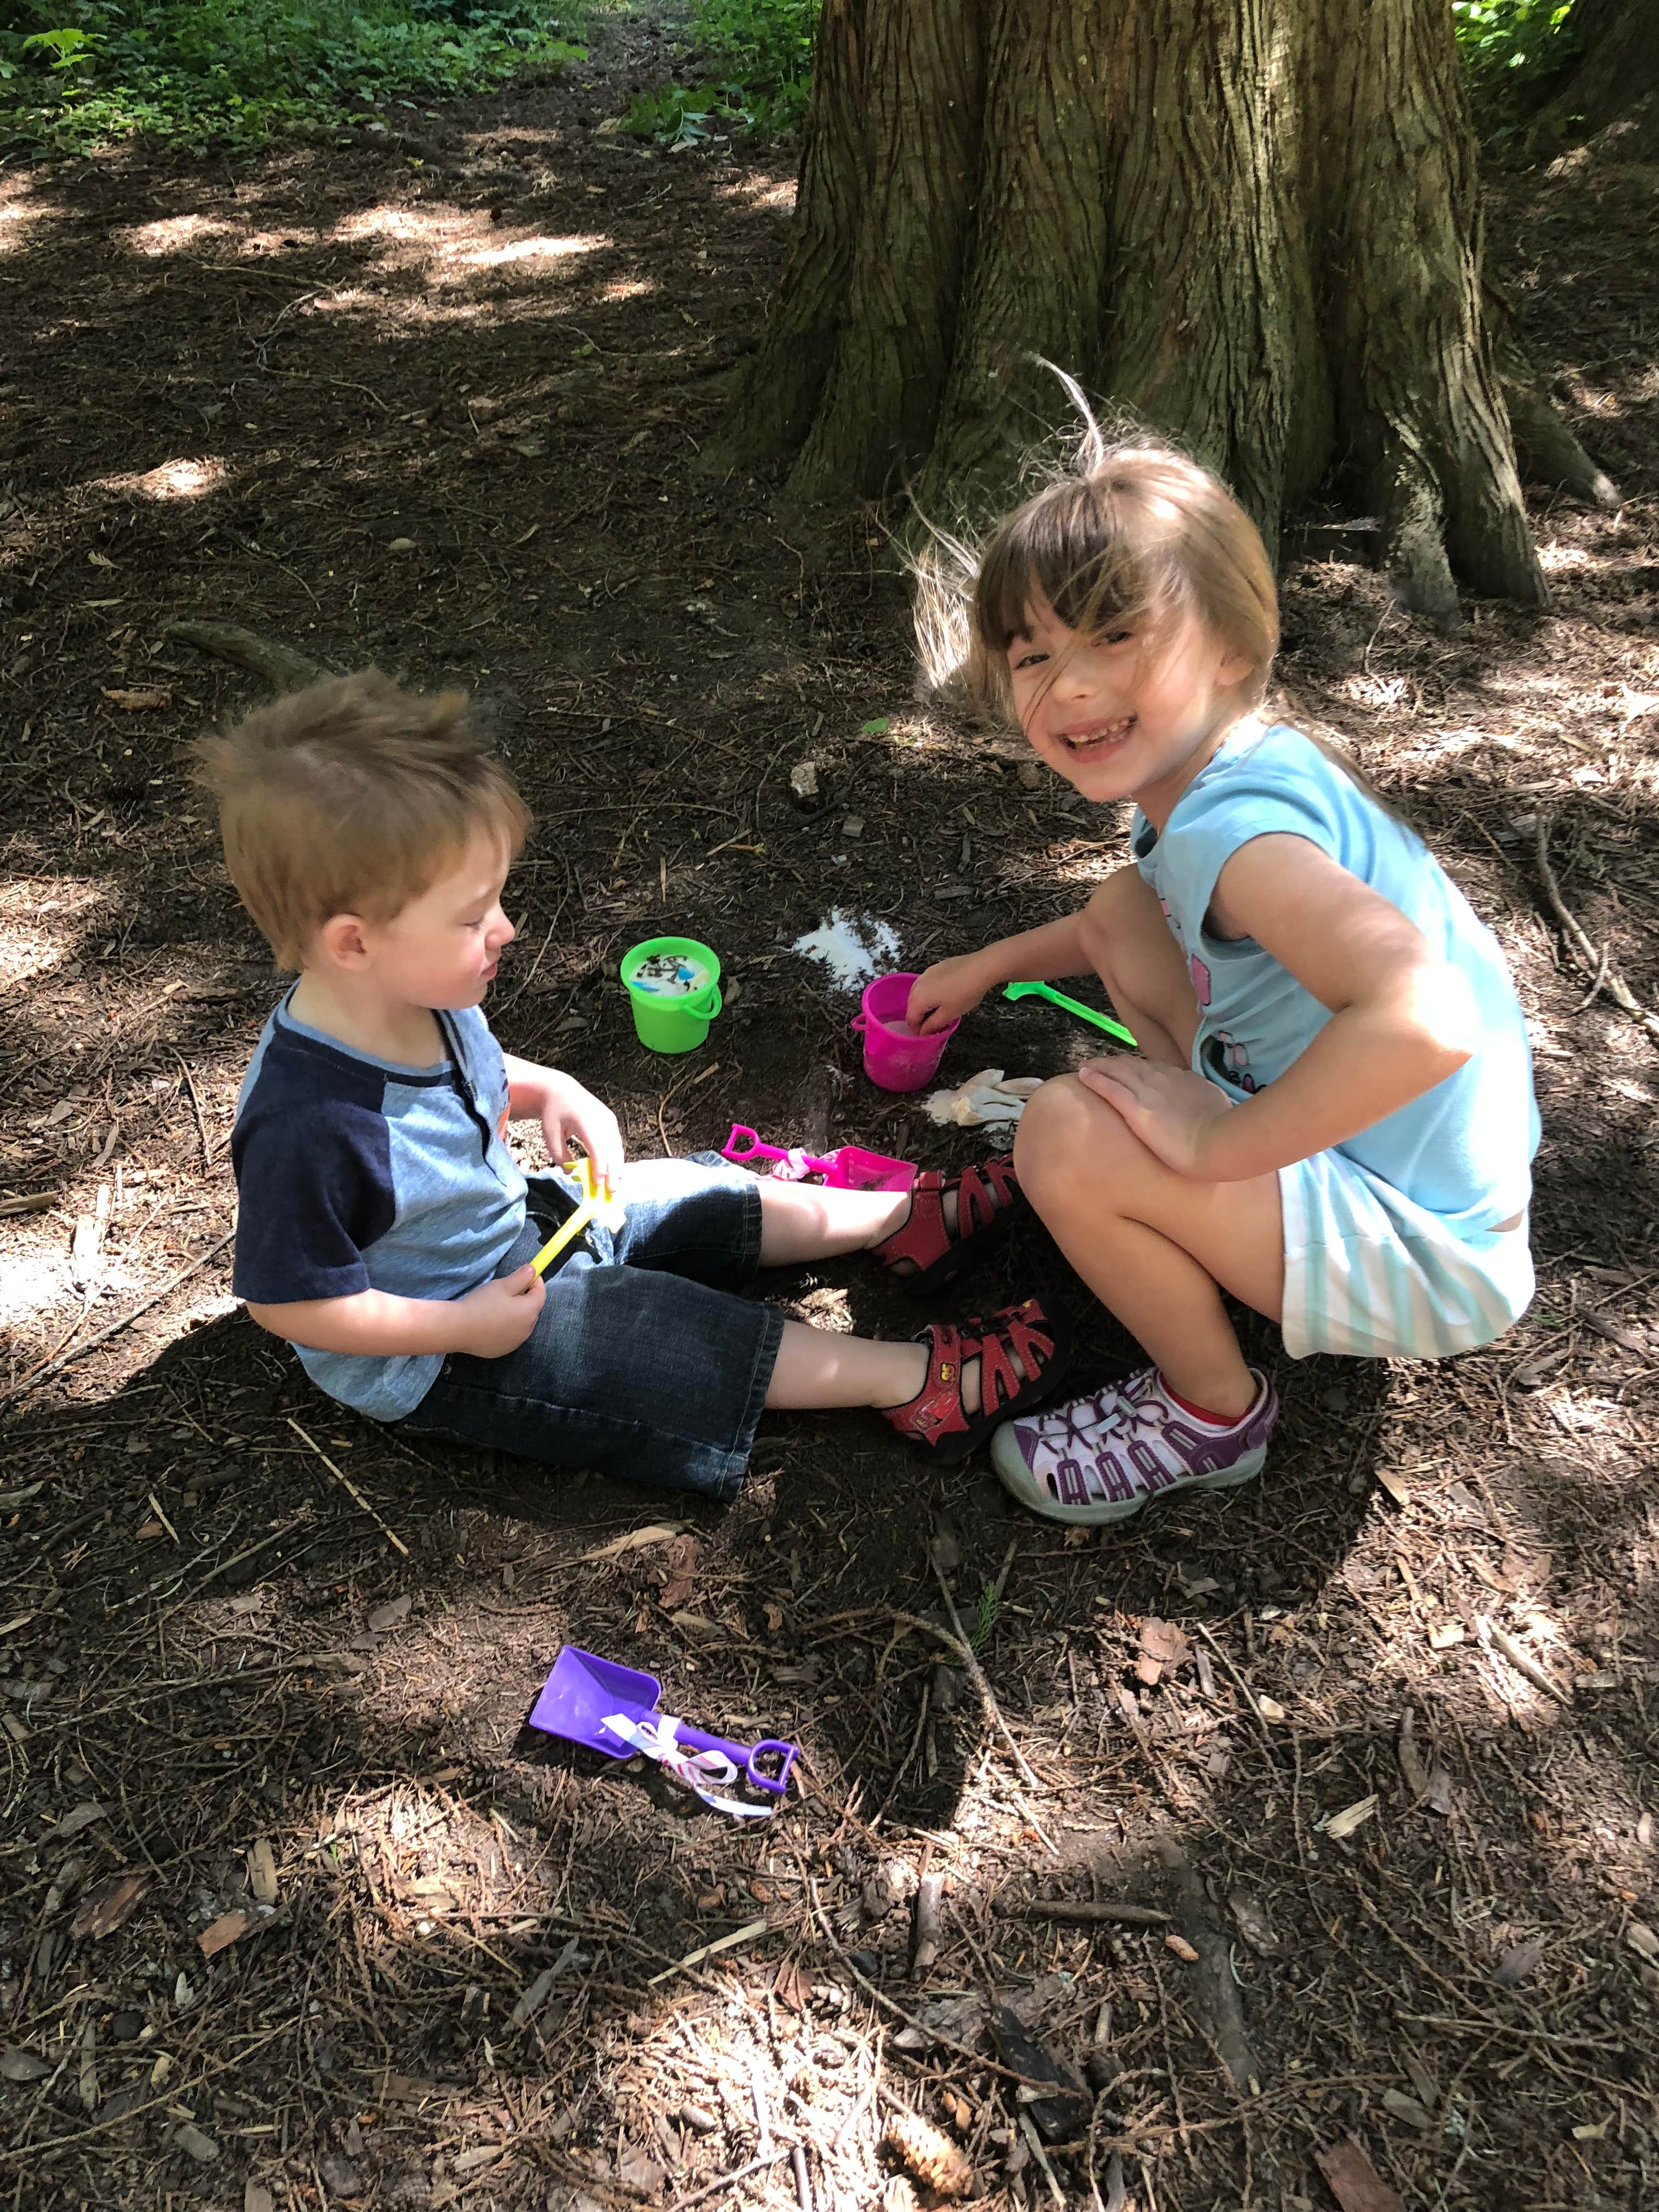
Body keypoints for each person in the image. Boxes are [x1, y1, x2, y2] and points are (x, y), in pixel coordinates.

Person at [193, 673, 1066, 1500]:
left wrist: (549, 1091)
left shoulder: (413, 994)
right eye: (472, 917)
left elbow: (465, 1082)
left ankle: (897, 1220)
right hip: (440, 1342)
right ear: (353, 943)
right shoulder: (309, 1122)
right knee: (651, 1332)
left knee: (692, 1193)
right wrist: (460, 1330)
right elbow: (291, 1303)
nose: (505, 928)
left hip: (510, 1231)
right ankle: (912, 1382)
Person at [906, 433, 1539, 1526]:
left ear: (1233, 645)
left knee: (1064, 1132)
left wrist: (1214, 1147)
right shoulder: (1244, 773)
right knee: (1118, 912)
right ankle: (1226, 1220)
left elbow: (1425, 1018)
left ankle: (1212, 1416)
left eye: (1117, 633)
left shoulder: (1230, 837)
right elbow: (1130, 921)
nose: (1077, 685)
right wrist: (995, 968)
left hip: (1429, 1256)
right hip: (1420, 1179)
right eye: (1034, 654)